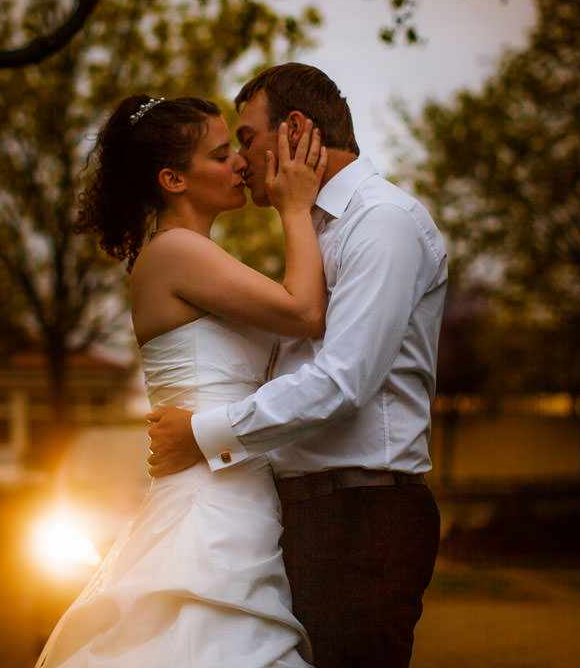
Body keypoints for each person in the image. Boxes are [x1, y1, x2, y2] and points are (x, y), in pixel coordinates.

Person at [147, 63, 447, 668]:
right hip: (302, 517)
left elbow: (344, 381)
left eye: (249, 139)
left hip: (363, 514)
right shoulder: (311, 231)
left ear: (295, 128)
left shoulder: (380, 221)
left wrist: (204, 435)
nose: (243, 159)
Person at [33, 94, 329, 667]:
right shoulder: (174, 252)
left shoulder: (187, 254)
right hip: (208, 509)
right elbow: (304, 313)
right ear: (173, 178)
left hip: (235, 497)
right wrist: (295, 208)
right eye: (221, 156)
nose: (241, 164)